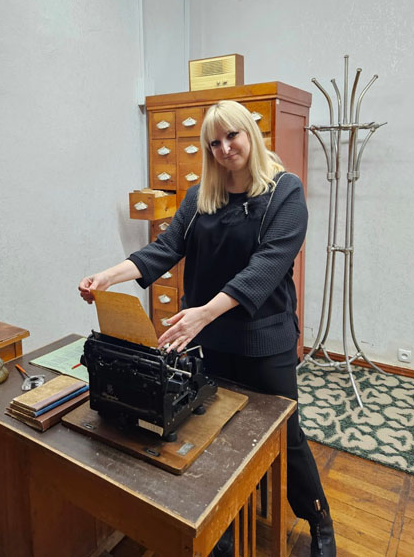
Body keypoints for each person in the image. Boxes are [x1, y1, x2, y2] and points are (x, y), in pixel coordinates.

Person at [79, 100, 336, 557]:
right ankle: (226, 522)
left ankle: (318, 520)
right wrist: (108, 276)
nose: (224, 148)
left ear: (250, 133)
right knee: (214, 434)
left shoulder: (284, 191)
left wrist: (202, 312)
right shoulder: (200, 197)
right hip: (210, 341)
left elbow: (267, 266)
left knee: (286, 435)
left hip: (264, 342)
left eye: (232, 135)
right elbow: (164, 248)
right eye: (214, 142)